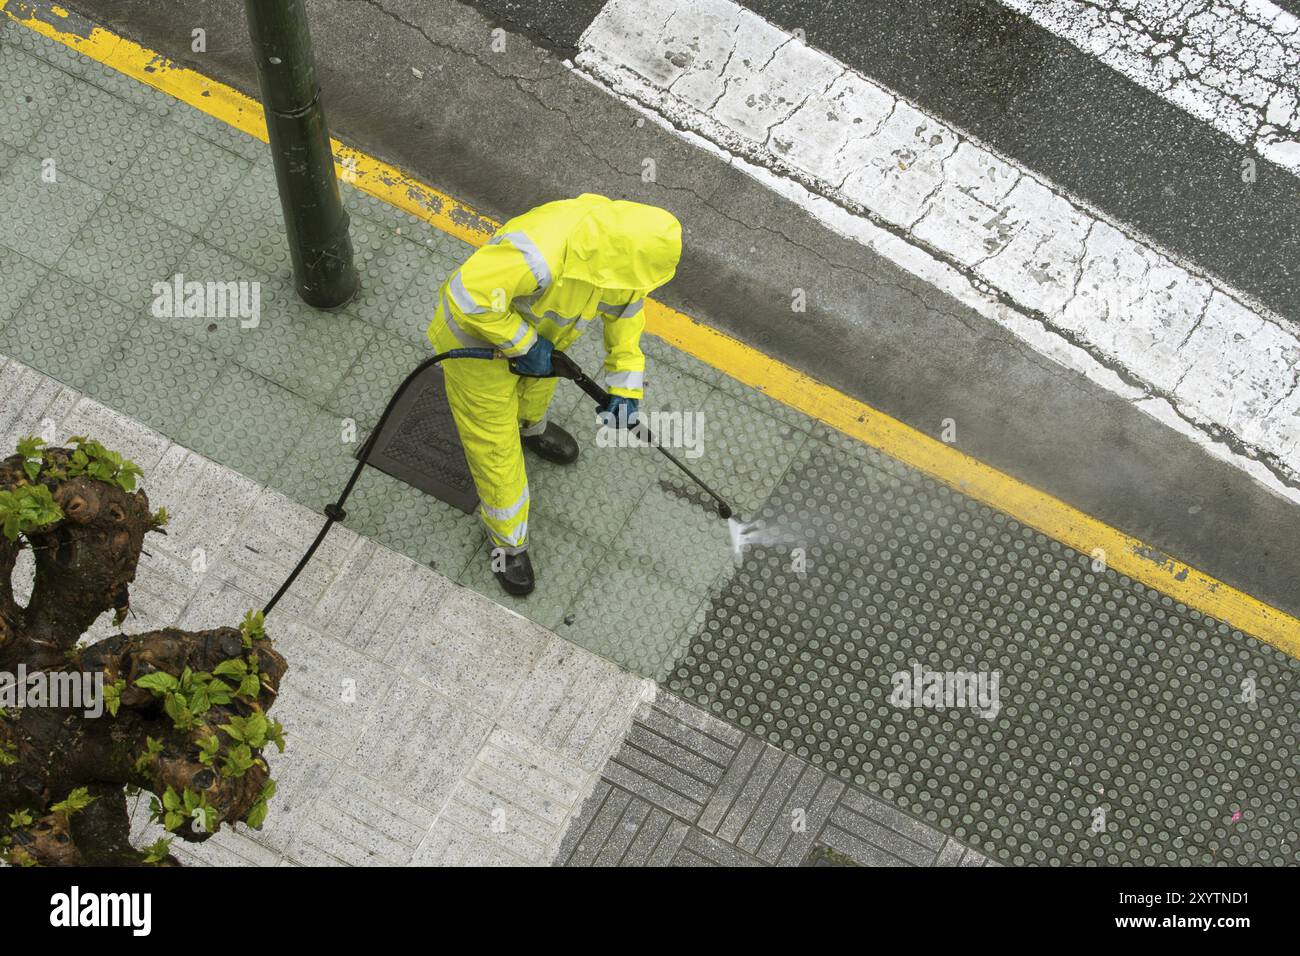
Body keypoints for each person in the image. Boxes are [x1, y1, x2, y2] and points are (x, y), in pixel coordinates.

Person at [427, 193, 683, 596]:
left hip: (542, 348)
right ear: (616, 256)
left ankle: (532, 430)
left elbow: (627, 317)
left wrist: (624, 386)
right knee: (494, 449)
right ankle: (508, 544)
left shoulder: (620, 259)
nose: (635, 291)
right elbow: (467, 296)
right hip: (475, 348)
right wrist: (526, 344)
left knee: (536, 393)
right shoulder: (539, 252)